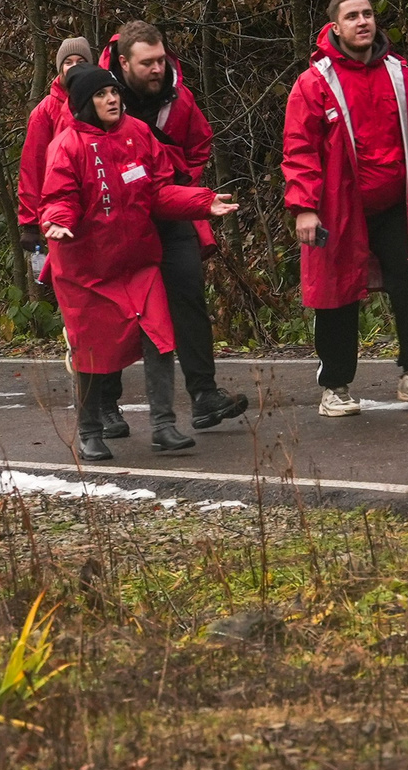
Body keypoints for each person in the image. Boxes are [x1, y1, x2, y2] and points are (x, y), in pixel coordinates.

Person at [41, 68, 241, 461]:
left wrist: (202, 202)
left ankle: (164, 426)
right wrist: (58, 221)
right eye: (101, 94)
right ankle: (89, 431)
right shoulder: (66, 145)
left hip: (138, 262)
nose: (112, 100)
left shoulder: (138, 133)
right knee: (91, 350)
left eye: (114, 92)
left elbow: (159, 191)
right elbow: (58, 197)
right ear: (84, 103)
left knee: (159, 337)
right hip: (86, 271)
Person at [282, 0, 408, 417]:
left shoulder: (399, 74)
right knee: (337, 292)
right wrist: (305, 207)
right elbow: (299, 148)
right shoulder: (314, 82)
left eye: (368, 14)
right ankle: (335, 387)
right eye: (353, 16)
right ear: (335, 27)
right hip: (338, 207)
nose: (363, 22)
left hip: (395, 206)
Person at [104, 23, 248, 431]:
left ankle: (204, 394)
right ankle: (104, 405)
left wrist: (184, 182)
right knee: (114, 312)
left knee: (188, 296)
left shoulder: (179, 97)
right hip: (119, 220)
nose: (156, 69)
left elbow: (200, 141)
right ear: (124, 63)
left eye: (161, 60)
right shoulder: (101, 97)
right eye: (146, 63)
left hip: (171, 210)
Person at [16, 37, 96, 279]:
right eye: (68, 62)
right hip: (60, 211)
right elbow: (33, 167)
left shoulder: (102, 102)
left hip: (99, 210)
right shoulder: (44, 112)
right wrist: (30, 223)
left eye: (80, 61)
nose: (73, 67)